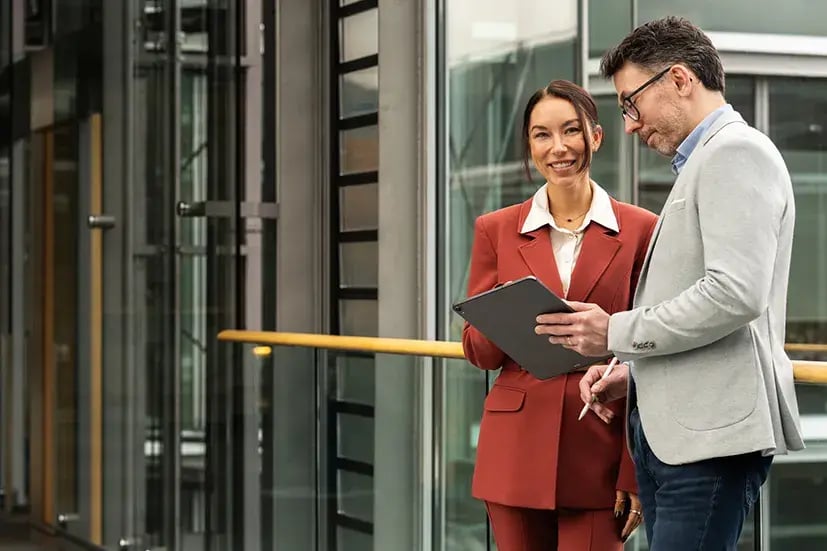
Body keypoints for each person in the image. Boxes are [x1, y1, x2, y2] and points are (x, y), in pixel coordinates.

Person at [534, 17, 805, 550]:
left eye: (631, 103)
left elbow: (735, 294)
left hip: (708, 442)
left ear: (680, 79)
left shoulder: (735, 153)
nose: (630, 126)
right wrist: (633, 372)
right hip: (679, 438)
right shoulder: (706, 161)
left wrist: (613, 331)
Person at [462, 79, 657, 550]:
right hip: (514, 450)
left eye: (570, 131)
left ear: (596, 136)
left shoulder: (641, 229)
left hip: (601, 445)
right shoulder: (496, 230)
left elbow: (650, 350)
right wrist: (502, 313)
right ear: (529, 146)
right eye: (541, 135)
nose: (558, 148)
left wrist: (635, 469)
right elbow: (477, 352)